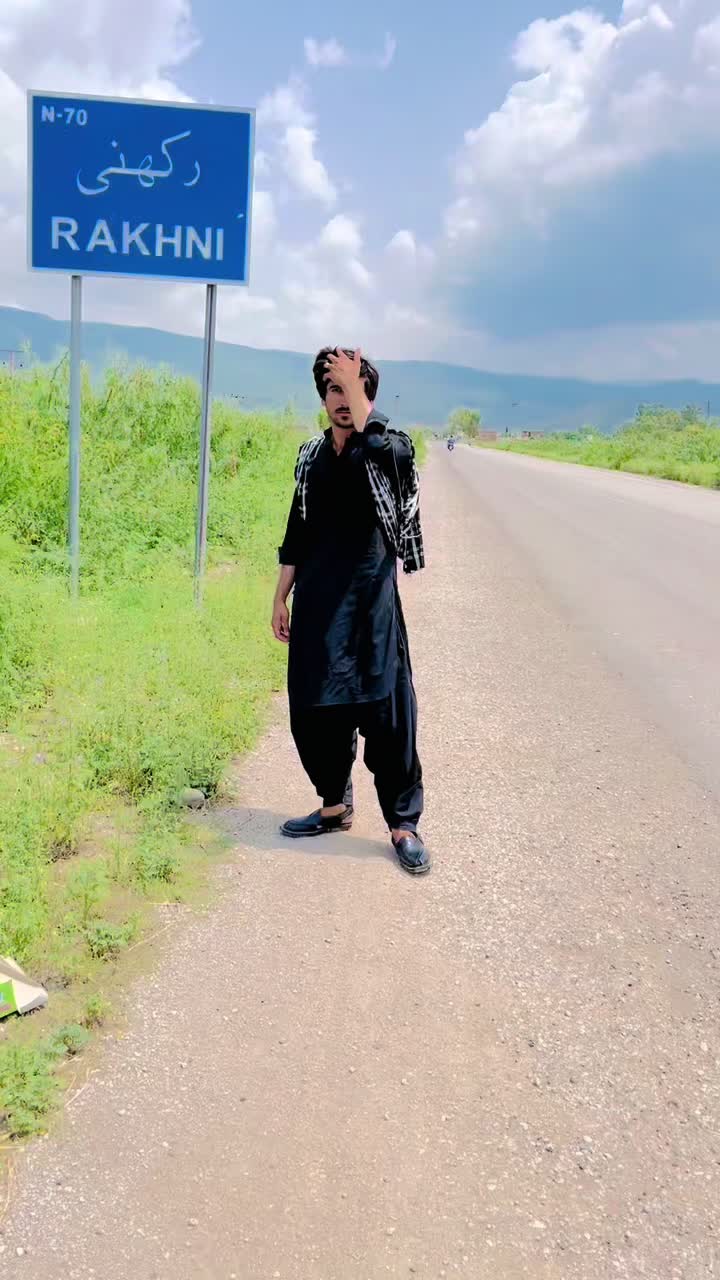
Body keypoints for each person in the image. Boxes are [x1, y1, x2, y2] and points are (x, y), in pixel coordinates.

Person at [272, 346, 430, 875]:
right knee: (315, 714)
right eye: (333, 389)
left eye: (353, 388)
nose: (343, 400)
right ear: (322, 398)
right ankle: (334, 807)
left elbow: (395, 459)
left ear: (368, 396)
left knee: (388, 720)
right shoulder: (310, 457)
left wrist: (359, 395)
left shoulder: (388, 449)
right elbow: (297, 530)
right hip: (318, 611)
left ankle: (403, 825)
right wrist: (280, 596)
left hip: (371, 612)